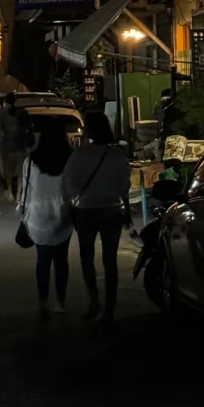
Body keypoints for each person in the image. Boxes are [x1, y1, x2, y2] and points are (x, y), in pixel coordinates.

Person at [64, 109, 131, 325]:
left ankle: (94, 302)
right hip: (112, 210)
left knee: (87, 258)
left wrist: (74, 201)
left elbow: (69, 183)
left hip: (86, 210)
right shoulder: (116, 155)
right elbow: (125, 186)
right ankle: (110, 308)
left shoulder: (80, 154)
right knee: (110, 261)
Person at [17, 118, 74, 320]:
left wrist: (22, 211)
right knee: (61, 260)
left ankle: (43, 303)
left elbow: (27, 189)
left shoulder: (31, 161)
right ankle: (60, 301)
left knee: (42, 261)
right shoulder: (70, 160)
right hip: (63, 215)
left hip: (38, 216)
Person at [0, 91, 31, 201]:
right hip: (21, 146)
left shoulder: (2, 113)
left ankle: (10, 192)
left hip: (8, 145)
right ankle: (19, 194)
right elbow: (28, 129)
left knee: (9, 172)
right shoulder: (22, 112)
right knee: (20, 172)